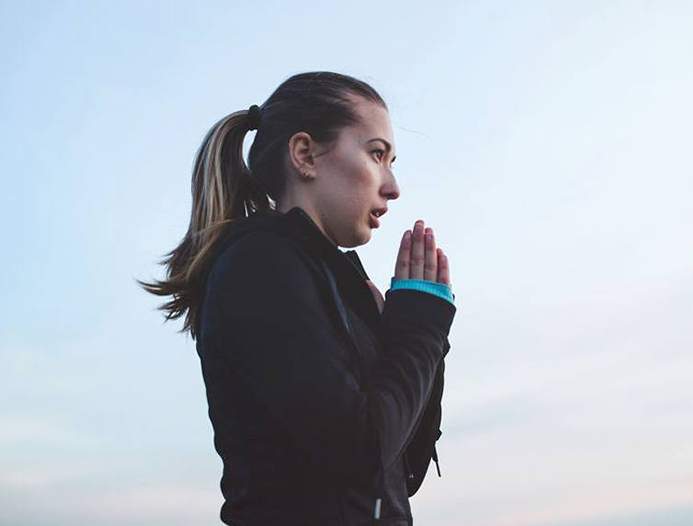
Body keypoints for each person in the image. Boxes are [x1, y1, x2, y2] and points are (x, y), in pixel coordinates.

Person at [139, 71, 456, 525]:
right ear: (305, 155)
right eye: (376, 154)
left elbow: (402, 470)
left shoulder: (337, 283)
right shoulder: (259, 266)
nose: (392, 186)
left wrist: (412, 334)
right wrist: (419, 331)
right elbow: (361, 453)